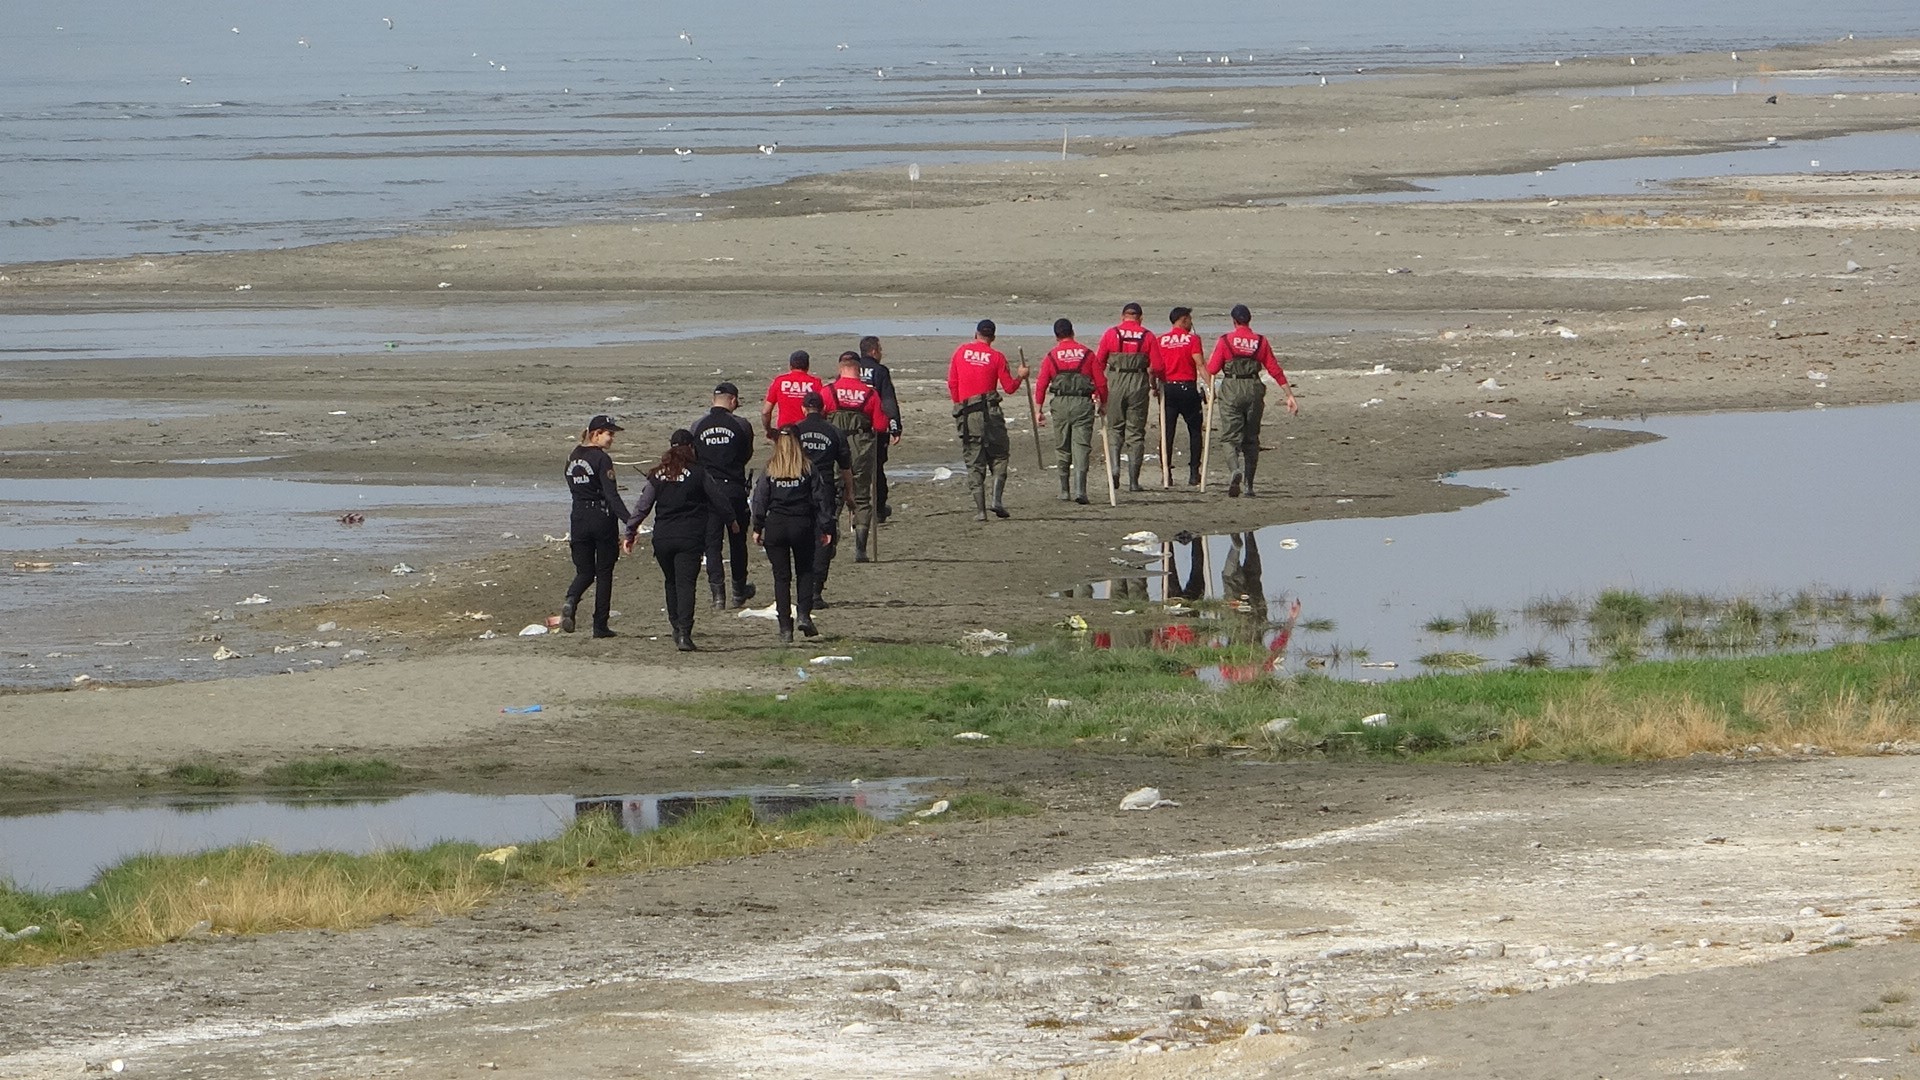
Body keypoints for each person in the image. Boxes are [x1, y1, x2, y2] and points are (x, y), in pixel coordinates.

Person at [622, 430, 736, 651]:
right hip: (689, 537)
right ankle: (684, 632)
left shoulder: (657, 475)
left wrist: (630, 531)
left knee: (671, 582)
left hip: (663, 537)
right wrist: (732, 520)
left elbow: (642, 506)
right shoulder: (698, 472)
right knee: (686, 585)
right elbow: (719, 499)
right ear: (691, 448)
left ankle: (675, 626)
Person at [750, 429, 837, 644]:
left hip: (777, 525)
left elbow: (759, 500)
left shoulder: (770, 469)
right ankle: (804, 615)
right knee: (805, 571)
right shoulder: (807, 468)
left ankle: (784, 627)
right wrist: (827, 528)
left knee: (781, 578)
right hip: (802, 524)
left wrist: (757, 526)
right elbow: (821, 500)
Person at [1206, 304, 1299, 498]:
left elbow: (1213, 369)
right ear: (1249, 320)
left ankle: (1234, 470)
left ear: (1234, 321)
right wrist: (1288, 394)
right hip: (1254, 388)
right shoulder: (1260, 341)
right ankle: (1249, 485)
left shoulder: (1225, 340)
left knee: (1230, 437)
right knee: (1251, 438)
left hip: (1232, 388)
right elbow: (1274, 369)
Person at [947, 319, 1029, 521]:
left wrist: (960, 407)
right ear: (992, 337)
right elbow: (1009, 387)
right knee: (999, 455)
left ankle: (981, 510)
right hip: (991, 413)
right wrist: (1021, 376)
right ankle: (996, 500)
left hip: (968, 413)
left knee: (974, 460)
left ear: (976, 334)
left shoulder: (961, 352)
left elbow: (952, 383)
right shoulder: (997, 357)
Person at [561, 414, 631, 638]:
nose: (612, 439)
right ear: (595, 434)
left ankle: (571, 599)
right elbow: (612, 495)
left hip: (578, 517)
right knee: (604, 573)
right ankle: (600, 625)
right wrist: (631, 523)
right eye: (609, 434)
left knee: (584, 571)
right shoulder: (601, 459)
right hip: (601, 517)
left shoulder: (572, 456)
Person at [692, 382, 757, 609]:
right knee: (738, 542)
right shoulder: (741, 425)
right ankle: (738, 591)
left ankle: (717, 594)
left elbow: (694, 456)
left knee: (712, 544)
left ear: (713, 400)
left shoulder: (697, 425)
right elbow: (746, 453)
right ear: (733, 400)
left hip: (708, 490)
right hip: (734, 489)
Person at [1032, 317, 1106, 504]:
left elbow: (1041, 384)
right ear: (1073, 332)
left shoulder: (1051, 356)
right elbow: (1101, 382)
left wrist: (1038, 409)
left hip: (1060, 404)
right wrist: (1103, 402)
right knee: (1081, 446)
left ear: (1056, 335)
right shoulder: (1087, 354)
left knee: (1062, 445)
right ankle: (1081, 490)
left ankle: (1064, 490)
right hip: (1082, 403)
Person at [792, 391, 855, 609]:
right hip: (825, 489)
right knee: (825, 537)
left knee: (801, 535)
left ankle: (803, 587)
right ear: (824, 409)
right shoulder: (834, 432)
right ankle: (816, 590)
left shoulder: (795, 431)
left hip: (797, 488)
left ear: (803, 409)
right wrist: (850, 494)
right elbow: (846, 468)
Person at [828, 352, 889, 561]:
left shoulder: (828, 392)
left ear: (840, 368)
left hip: (834, 447)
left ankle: (830, 535)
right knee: (862, 495)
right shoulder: (870, 394)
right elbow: (881, 426)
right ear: (858, 369)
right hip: (861, 447)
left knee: (833, 493)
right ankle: (860, 549)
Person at [1094, 301, 1158, 492]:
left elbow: (1099, 362)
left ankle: (1114, 468)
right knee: (1136, 433)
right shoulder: (1147, 335)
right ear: (1140, 318)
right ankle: (1133, 481)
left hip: (1115, 382)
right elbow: (1158, 366)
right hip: (1138, 382)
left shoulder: (1111, 333)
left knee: (1114, 429)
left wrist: (1098, 390)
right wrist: (1154, 383)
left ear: (1123, 316)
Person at [1152, 307, 1207, 486]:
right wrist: (1211, 385)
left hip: (1168, 389)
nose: (1191, 324)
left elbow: (1153, 367)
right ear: (1183, 320)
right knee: (1195, 431)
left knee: (1167, 433)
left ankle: (1166, 473)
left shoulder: (1160, 340)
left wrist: (1153, 386)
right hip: (1187, 388)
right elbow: (1200, 364)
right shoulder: (1192, 340)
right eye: (1190, 320)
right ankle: (1193, 473)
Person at [856, 336, 902, 522]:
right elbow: (888, 400)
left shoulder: (851, 368)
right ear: (874, 351)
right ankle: (879, 509)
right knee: (877, 469)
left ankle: (858, 508)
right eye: (880, 350)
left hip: (852, 429)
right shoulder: (880, 371)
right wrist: (895, 426)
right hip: (876, 428)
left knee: (855, 468)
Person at [760, 350, 833, 438]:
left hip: (785, 430)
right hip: (807, 430)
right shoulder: (815, 382)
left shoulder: (780, 381)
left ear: (790, 366)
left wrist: (768, 429)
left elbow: (766, 412)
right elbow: (822, 409)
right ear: (808, 366)